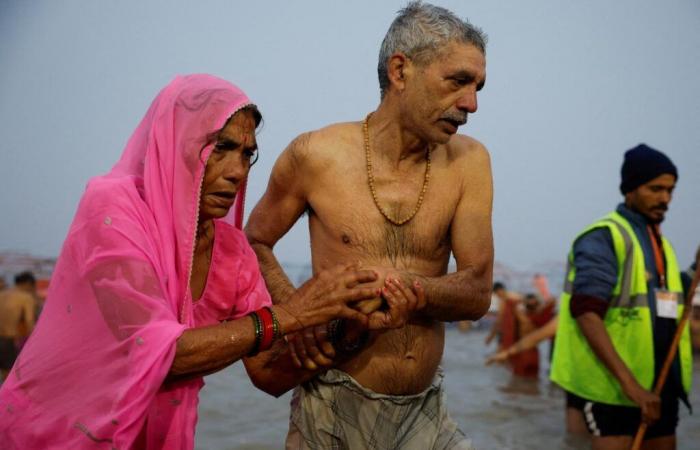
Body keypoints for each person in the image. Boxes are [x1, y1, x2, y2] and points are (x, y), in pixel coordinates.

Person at [0, 75, 417, 449]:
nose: (237, 171)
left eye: (247, 154)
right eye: (221, 149)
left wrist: (351, 327)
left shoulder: (232, 252)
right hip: (48, 435)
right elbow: (159, 353)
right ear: (175, 143)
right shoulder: (113, 210)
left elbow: (268, 373)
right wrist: (292, 314)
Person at [245, 3, 492, 448]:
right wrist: (296, 318)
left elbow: (477, 292)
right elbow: (254, 242)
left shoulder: (470, 163)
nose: (471, 104)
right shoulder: (315, 155)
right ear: (401, 70)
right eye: (458, 81)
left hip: (426, 412)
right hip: (331, 405)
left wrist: (405, 289)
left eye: (478, 86)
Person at [550, 144, 691, 450]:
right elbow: (586, 313)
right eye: (655, 189)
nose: (665, 199)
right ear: (630, 189)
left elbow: (666, 296)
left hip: (662, 387)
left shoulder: (660, 243)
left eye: (670, 190)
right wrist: (634, 389)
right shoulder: (604, 237)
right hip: (615, 390)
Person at [0, 272, 37, 381]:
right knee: (9, 380)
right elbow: (30, 322)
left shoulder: (1, 294)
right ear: (28, 284)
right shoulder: (26, 298)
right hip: (9, 341)